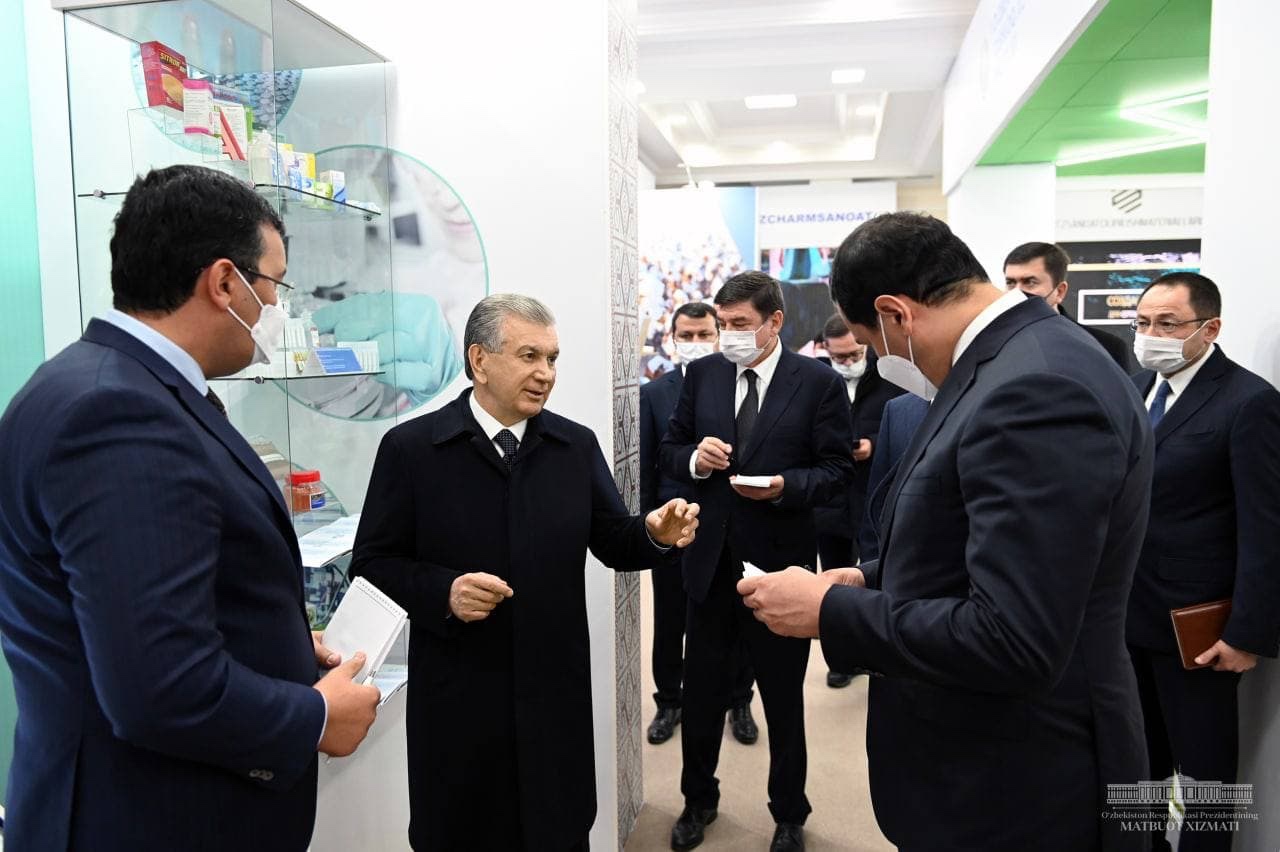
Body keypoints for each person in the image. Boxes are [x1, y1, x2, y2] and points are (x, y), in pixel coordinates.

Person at [740, 212, 1153, 852]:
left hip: (1019, 786)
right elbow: (982, 540)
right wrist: (870, 578)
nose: (881, 364)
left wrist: (831, 612)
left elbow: (1014, 638)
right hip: (984, 766)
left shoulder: (1035, 387)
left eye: (871, 345)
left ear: (895, 314)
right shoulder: (1013, 361)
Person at [0, 165, 381, 852]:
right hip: (151, 817)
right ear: (225, 283)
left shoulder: (103, 384)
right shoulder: (117, 414)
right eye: (274, 286)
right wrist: (313, 718)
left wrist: (276, 645)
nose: (276, 310)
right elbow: (160, 684)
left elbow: (136, 607)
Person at [348, 294, 700, 851]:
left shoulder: (574, 446)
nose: (545, 374)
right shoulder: (411, 449)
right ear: (480, 359)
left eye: (553, 358)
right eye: (529, 356)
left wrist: (655, 534)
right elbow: (372, 565)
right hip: (460, 698)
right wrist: (444, 591)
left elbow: (613, 540)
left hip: (553, 693)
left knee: (555, 828)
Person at [660, 271, 854, 852]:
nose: (729, 335)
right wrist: (695, 460)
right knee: (701, 695)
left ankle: (789, 813)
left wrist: (784, 487)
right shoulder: (704, 375)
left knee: (782, 697)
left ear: (775, 322)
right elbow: (671, 449)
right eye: (723, 324)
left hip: (780, 569)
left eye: (740, 324)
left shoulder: (817, 383)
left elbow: (836, 472)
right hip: (710, 564)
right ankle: (698, 800)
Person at [1125, 272, 1280, 852]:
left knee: (1206, 777)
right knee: (1137, 764)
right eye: (1143, 322)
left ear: (1209, 328)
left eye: (1168, 324)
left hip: (1199, 631)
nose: (1151, 335)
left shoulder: (1249, 402)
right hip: (1126, 619)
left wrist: (1247, 634)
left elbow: (1266, 528)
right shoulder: (1135, 385)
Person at [640, 302, 758, 746]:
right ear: (672, 339)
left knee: (740, 619)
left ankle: (739, 699)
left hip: (730, 528)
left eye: (704, 334)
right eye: (686, 335)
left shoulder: (741, 385)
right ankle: (669, 701)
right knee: (670, 621)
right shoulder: (654, 394)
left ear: (718, 335)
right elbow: (649, 466)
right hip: (672, 529)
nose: (695, 343)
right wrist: (649, 531)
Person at [814, 314, 902, 688]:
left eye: (854, 354)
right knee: (835, 582)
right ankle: (842, 660)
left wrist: (873, 444)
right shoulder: (817, 380)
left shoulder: (892, 374)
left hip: (876, 494)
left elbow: (909, 426)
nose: (848, 362)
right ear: (825, 349)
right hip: (831, 497)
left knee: (879, 574)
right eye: (840, 357)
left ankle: (877, 652)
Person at [1004, 240, 1131, 370]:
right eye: (1011, 283)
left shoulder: (1106, 347)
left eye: (1030, 282)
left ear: (1060, 291)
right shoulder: (996, 342)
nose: (1017, 292)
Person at [856, 393, 929, 563]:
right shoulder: (898, 409)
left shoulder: (984, 402)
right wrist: (871, 570)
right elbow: (878, 500)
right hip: (900, 565)